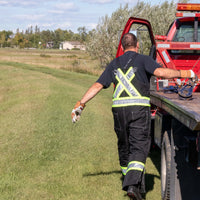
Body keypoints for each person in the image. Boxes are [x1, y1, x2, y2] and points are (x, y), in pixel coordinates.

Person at [71, 33, 197, 200]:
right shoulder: (143, 59)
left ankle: (133, 182)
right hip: (138, 109)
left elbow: (98, 85)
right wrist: (184, 73)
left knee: (124, 146)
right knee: (139, 146)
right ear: (137, 45)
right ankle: (132, 185)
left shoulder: (114, 64)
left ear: (123, 47)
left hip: (118, 112)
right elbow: (160, 72)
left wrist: (81, 104)